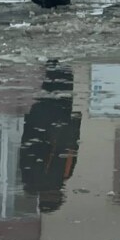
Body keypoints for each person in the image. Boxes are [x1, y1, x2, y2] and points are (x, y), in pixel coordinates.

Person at [20, 60, 82, 213]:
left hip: (50, 124)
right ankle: (56, 65)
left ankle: (58, 64)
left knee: (58, 89)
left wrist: (74, 124)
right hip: (47, 123)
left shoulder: (52, 178)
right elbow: (71, 150)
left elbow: (69, 149)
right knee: (56, 88)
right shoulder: (36, 180)